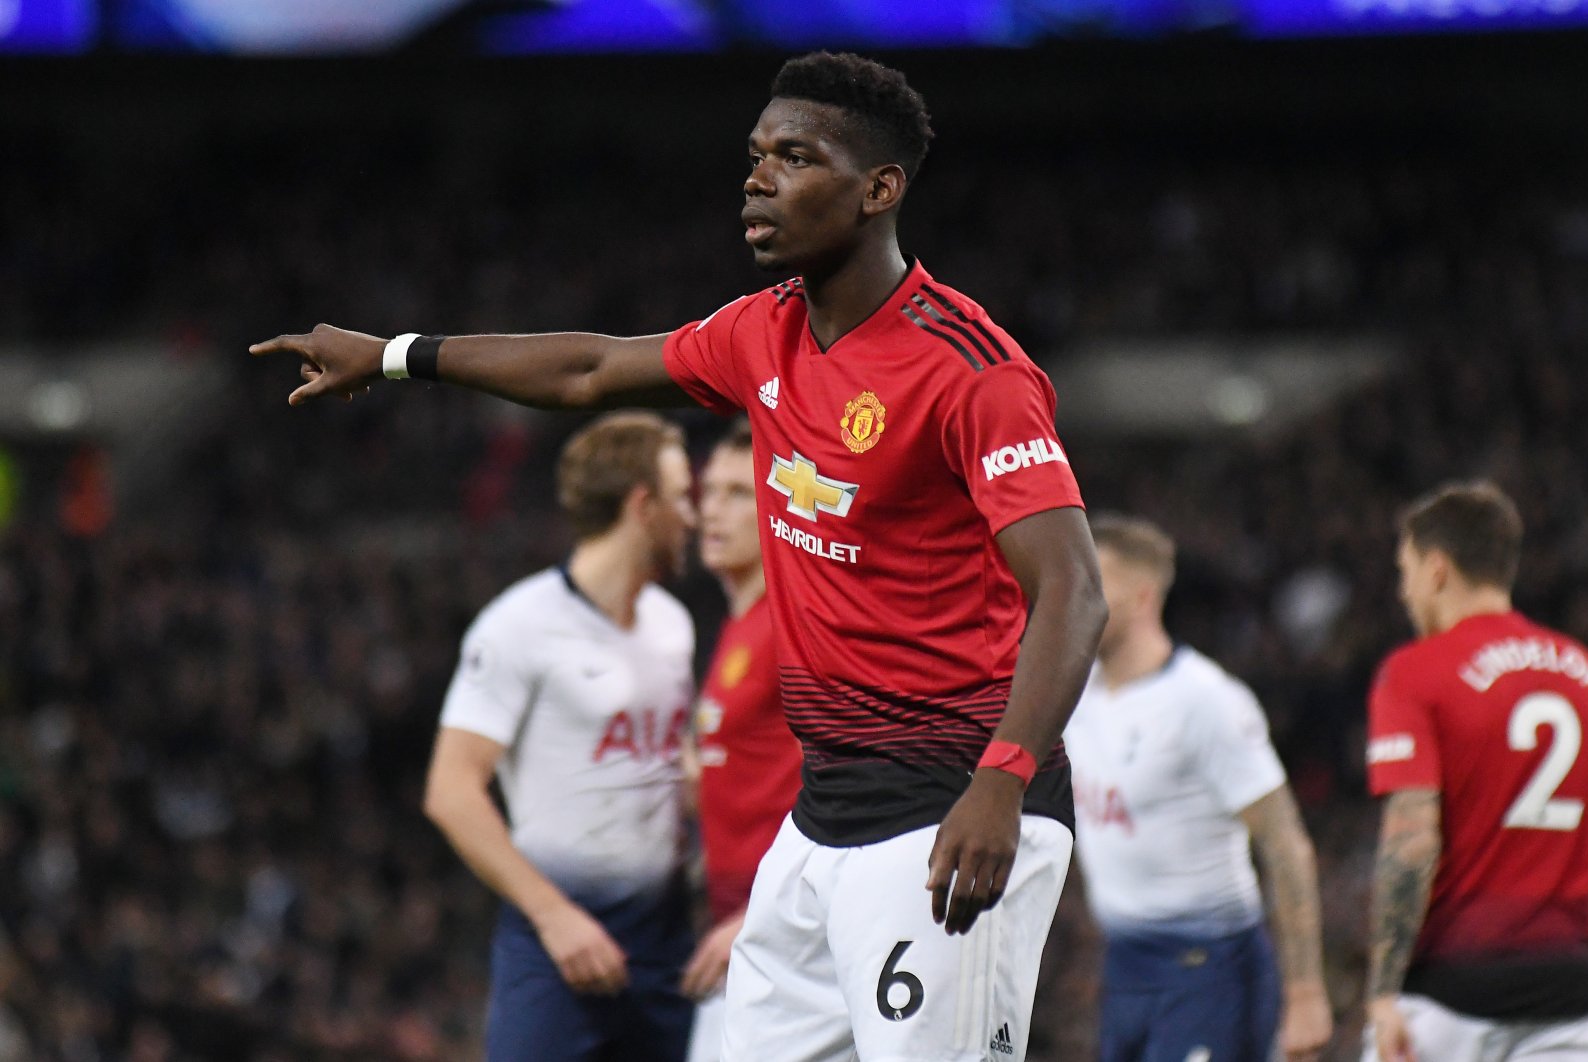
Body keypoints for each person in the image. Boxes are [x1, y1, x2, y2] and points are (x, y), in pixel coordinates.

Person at [253, 51, 1107, 1061]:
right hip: (823, 816)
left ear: (881, 189)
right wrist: (399, 356)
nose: (757, 179)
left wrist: (1002, 782)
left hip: (945, 813)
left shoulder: (970, 372)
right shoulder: (765, 332)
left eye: (795, 157)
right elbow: (591, 368)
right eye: (754, 155)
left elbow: (1073, 589)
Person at [420, 412, 699, 1061]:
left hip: (665, 944)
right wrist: (552, 914)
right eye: (682, 496)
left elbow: (671, 760)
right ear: (641, 504)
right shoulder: (519, 625)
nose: (693, 515)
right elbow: (450, 790)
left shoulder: (672, 625)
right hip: (554, 942)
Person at [1065, 514, 1332, 1062]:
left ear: (1142, 597)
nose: (1077, 595)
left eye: (1095, 582)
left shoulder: (1205, 702)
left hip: (1209, 967)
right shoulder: (1074, 691)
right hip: (1125, 966)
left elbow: (1285, 844)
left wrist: (1304, 992)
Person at [1364, 481, 1588, 1062]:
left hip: (1452, 999)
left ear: (1437, 569)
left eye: (1406, 570)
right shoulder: (1587, 672)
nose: (1403, 590)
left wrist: (1382, 992)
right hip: (1572, 995)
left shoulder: (1416, 673)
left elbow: (1411, 842)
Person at [679, 417, 803, 1062]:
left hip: (786, 936)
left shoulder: (793, 629)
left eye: (734, 494)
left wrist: (761, 918)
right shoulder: (739, 627)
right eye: (707, 492)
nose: (709, 512)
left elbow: (844, 781)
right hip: (739, 930)